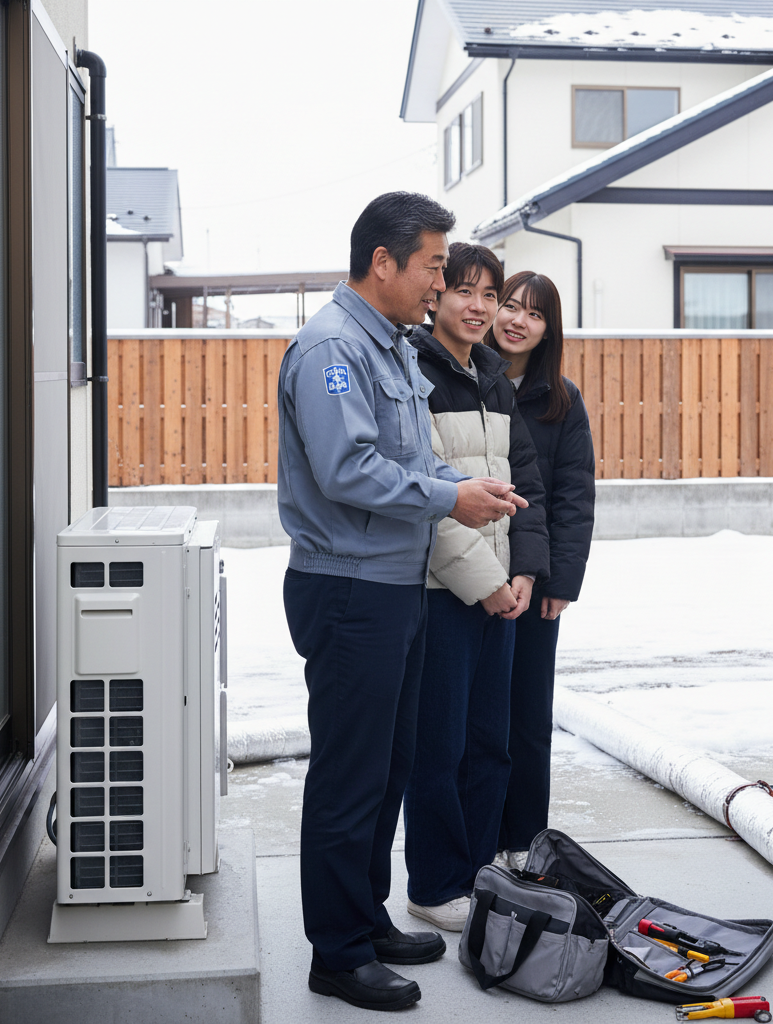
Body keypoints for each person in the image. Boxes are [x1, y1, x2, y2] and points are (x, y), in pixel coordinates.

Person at [277, 192, 528, 1012]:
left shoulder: (389, 348)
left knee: (387, 770)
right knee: (351, 777)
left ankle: (366, 918)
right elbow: (348, 470)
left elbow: (407, 456)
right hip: (350, 588)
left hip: (393, 585)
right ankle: (338, 953)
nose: (440, 282)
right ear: (382, 262)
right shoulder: (332, 352)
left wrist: (462, 481)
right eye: (430, 265)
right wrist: (448, 499)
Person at [403, 243, 549, 931]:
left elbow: (530, 488)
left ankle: (479, 874)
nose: (480, 307)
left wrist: (522, 573)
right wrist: (489, 582)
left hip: (502, 594)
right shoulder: (413, 373)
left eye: (490, 295)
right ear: (435, 296)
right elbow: (423, 497)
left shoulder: (495, 377)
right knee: (442, 746)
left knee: (493, 743)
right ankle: (434, 886)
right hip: (441, 594)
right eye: (465, 291)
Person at [486, 271, 596, 868]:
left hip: (537, 578)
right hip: (469, 572)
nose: (516, 320)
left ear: (548, 329)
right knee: (476, 721)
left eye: (533, 313)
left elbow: (575, 495)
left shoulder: (562, 399)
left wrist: (560, 581)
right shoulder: (466, 379)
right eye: (508, 306)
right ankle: (478, 845)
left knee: (527, 719)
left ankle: (524, 845)